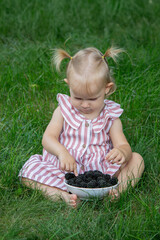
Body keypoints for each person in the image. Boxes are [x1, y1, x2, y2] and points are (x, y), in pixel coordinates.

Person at [19, 47, 144, 208]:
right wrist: (62, 153)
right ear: (68, 85)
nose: (84, 104)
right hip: (66, 170)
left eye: (92, 99)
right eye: (77, 97)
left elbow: (123, 145)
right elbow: (48, 138)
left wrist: (121, 152)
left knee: (137, 159)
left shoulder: (111, 117)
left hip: (101, 172)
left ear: (106, 89)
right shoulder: (63, 111)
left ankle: (116, 192)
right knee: (28, 171)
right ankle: (60, 195)